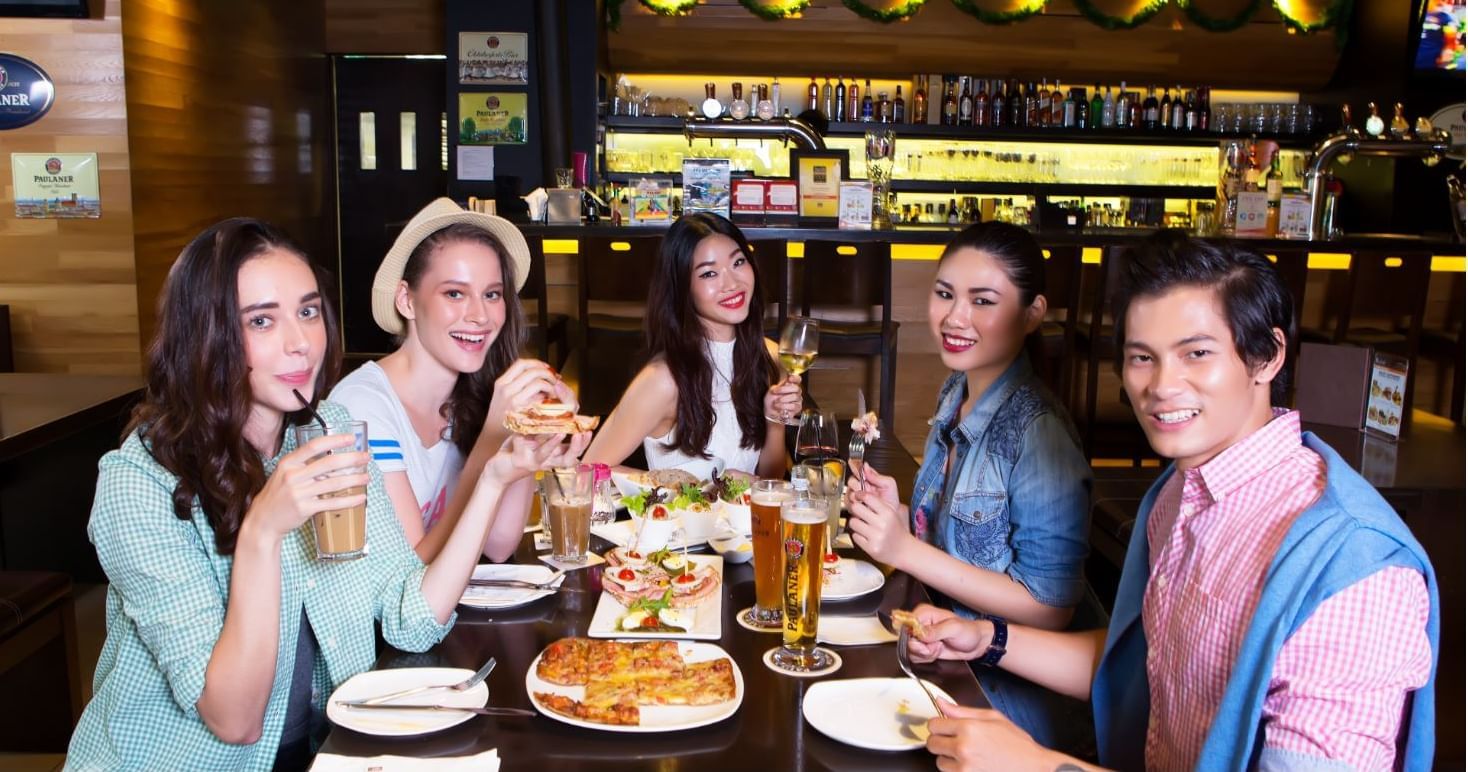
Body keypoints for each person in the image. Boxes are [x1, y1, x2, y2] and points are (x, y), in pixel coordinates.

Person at [65, 219, 588, 771]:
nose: (301, 343)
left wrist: (493, 477)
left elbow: (411, 618)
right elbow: (234, 719)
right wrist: (263, 531)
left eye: (309, 312)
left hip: (327, 749)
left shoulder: (331, 429)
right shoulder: (139, 482)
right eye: (262, 321)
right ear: (205, 334)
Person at [911, 232, 1438, 771]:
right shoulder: (1178, 493)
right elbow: (1148, 669)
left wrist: (1039, 765)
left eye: (1197, 354)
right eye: (1143, 357)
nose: (1162, 385)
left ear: (1267, 356)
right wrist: (986, 638)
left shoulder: (1354, 569)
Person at [843, 221, 1099, 757]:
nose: (955, 318)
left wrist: (905, 551)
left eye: (983, 301)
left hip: (1010, 702)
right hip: (945, 651)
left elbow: (1048, 607)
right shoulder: (957, 389)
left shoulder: (1039, 432)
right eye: (945, 294)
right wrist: (903, 514)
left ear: (1033, 313)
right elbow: (958, 540)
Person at [330, 197, 571, 562]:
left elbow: (501, 544)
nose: (479, 315)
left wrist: (527, 432)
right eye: (454, 293)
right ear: (407, 301)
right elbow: (413, 571)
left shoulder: (470, 395)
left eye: (492, 294)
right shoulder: (361, 409)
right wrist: (494, 436)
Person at [583, 213, 800, 480]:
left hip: (748, 522)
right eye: (709, 273)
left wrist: (774, 421)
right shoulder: (663, 379)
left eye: (738, 262)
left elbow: (770, 484)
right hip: (674, 521)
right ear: (683, 287)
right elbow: (587, 471)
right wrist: (698, 488)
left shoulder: (768, 356)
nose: (732, 284)